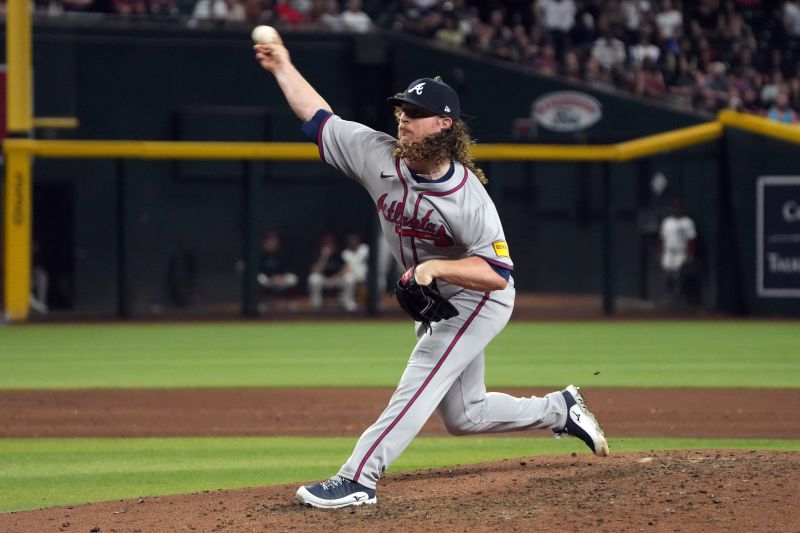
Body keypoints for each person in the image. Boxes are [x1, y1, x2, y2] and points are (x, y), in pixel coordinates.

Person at [254, 33, 609, 509]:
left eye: (416, 114)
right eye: (402, 110)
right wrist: (282, 66)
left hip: (477, 298)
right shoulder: (376, 154)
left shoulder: (469, 199)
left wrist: (436, 267)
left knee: (421, 377)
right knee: (465, 415)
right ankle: (559, 410)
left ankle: (358, 478)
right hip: (439, 296)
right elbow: (319, 117)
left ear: (445, 125)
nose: (404, 118)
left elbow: (497, 273)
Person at [307, 233, 369, 312]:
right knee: (313, 278)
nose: (328, 248)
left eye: (330, 246)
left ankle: (347, 302)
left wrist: (334, 280)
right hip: (324, 281)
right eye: (326, 246)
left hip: (337, 280)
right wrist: (324, 257)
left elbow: (347, 269)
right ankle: (316, 304)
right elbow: (315, 271)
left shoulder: (340, 254)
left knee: (350, 278)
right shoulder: (318, 254)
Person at [659, 198, 698, 305]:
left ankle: (680, 297)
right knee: (667, 274)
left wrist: (691, 254)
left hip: (681, 252)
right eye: (674, 208)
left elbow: (691, 239)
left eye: (677, 208)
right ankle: (669, 295)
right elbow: (663, 238)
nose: (675, 210)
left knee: (679, 275)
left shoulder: (687, 222)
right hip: (669, 252)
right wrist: (661, 251)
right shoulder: (667, 222)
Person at [256, 230, 299, 312]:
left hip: (281, 279)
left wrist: (280, 277)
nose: (272, 243)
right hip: (268, 280)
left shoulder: (282, 253)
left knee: (293, 278)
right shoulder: (261, 254)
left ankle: (291, 303)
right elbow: (259, 270)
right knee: (259, 278)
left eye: (274, 241)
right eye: (270, 241)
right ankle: (261, 304)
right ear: (265, 242)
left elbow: (287, 269)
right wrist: (271, 278)